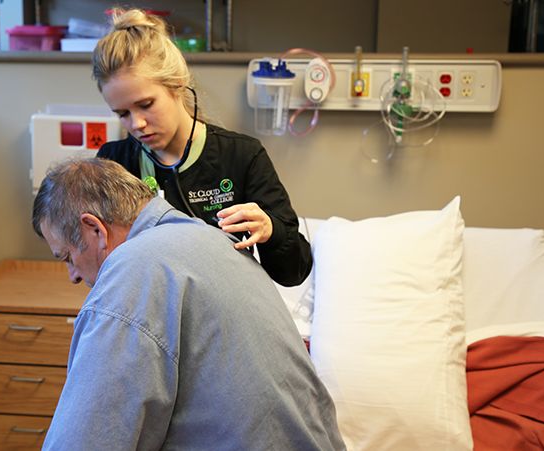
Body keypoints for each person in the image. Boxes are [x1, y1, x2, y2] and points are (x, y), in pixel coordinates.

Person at [32, 157, 345, 451]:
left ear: (95, 230)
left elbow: (86, 438)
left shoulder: (135, 266)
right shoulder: (213, 240)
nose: (72, 275)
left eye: (68, 257)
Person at [92, 8, 312, 287]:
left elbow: (295, 271)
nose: (137, 124)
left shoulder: (241, 156)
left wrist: (271, 230)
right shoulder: (113, 164)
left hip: (222, 313)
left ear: (178, 85)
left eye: (146, 105)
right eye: (122, 113)